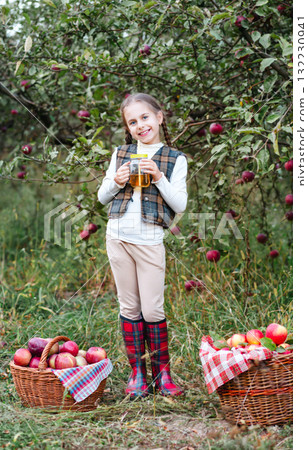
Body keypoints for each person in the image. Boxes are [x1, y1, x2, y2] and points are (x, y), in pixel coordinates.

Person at [97, 93, 188, 398]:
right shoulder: (121, 153)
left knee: (152, 308)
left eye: (145, 117)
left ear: (159, 117)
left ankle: (162, 375)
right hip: (118, 238)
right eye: (132, 121)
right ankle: (138, 373)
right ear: (128, 127)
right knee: (129, 306)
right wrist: (116, 180)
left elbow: (180, 204)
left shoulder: (175, 159)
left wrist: (160, 177)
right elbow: (102, 197)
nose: (140, 125)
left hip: (150, 241)